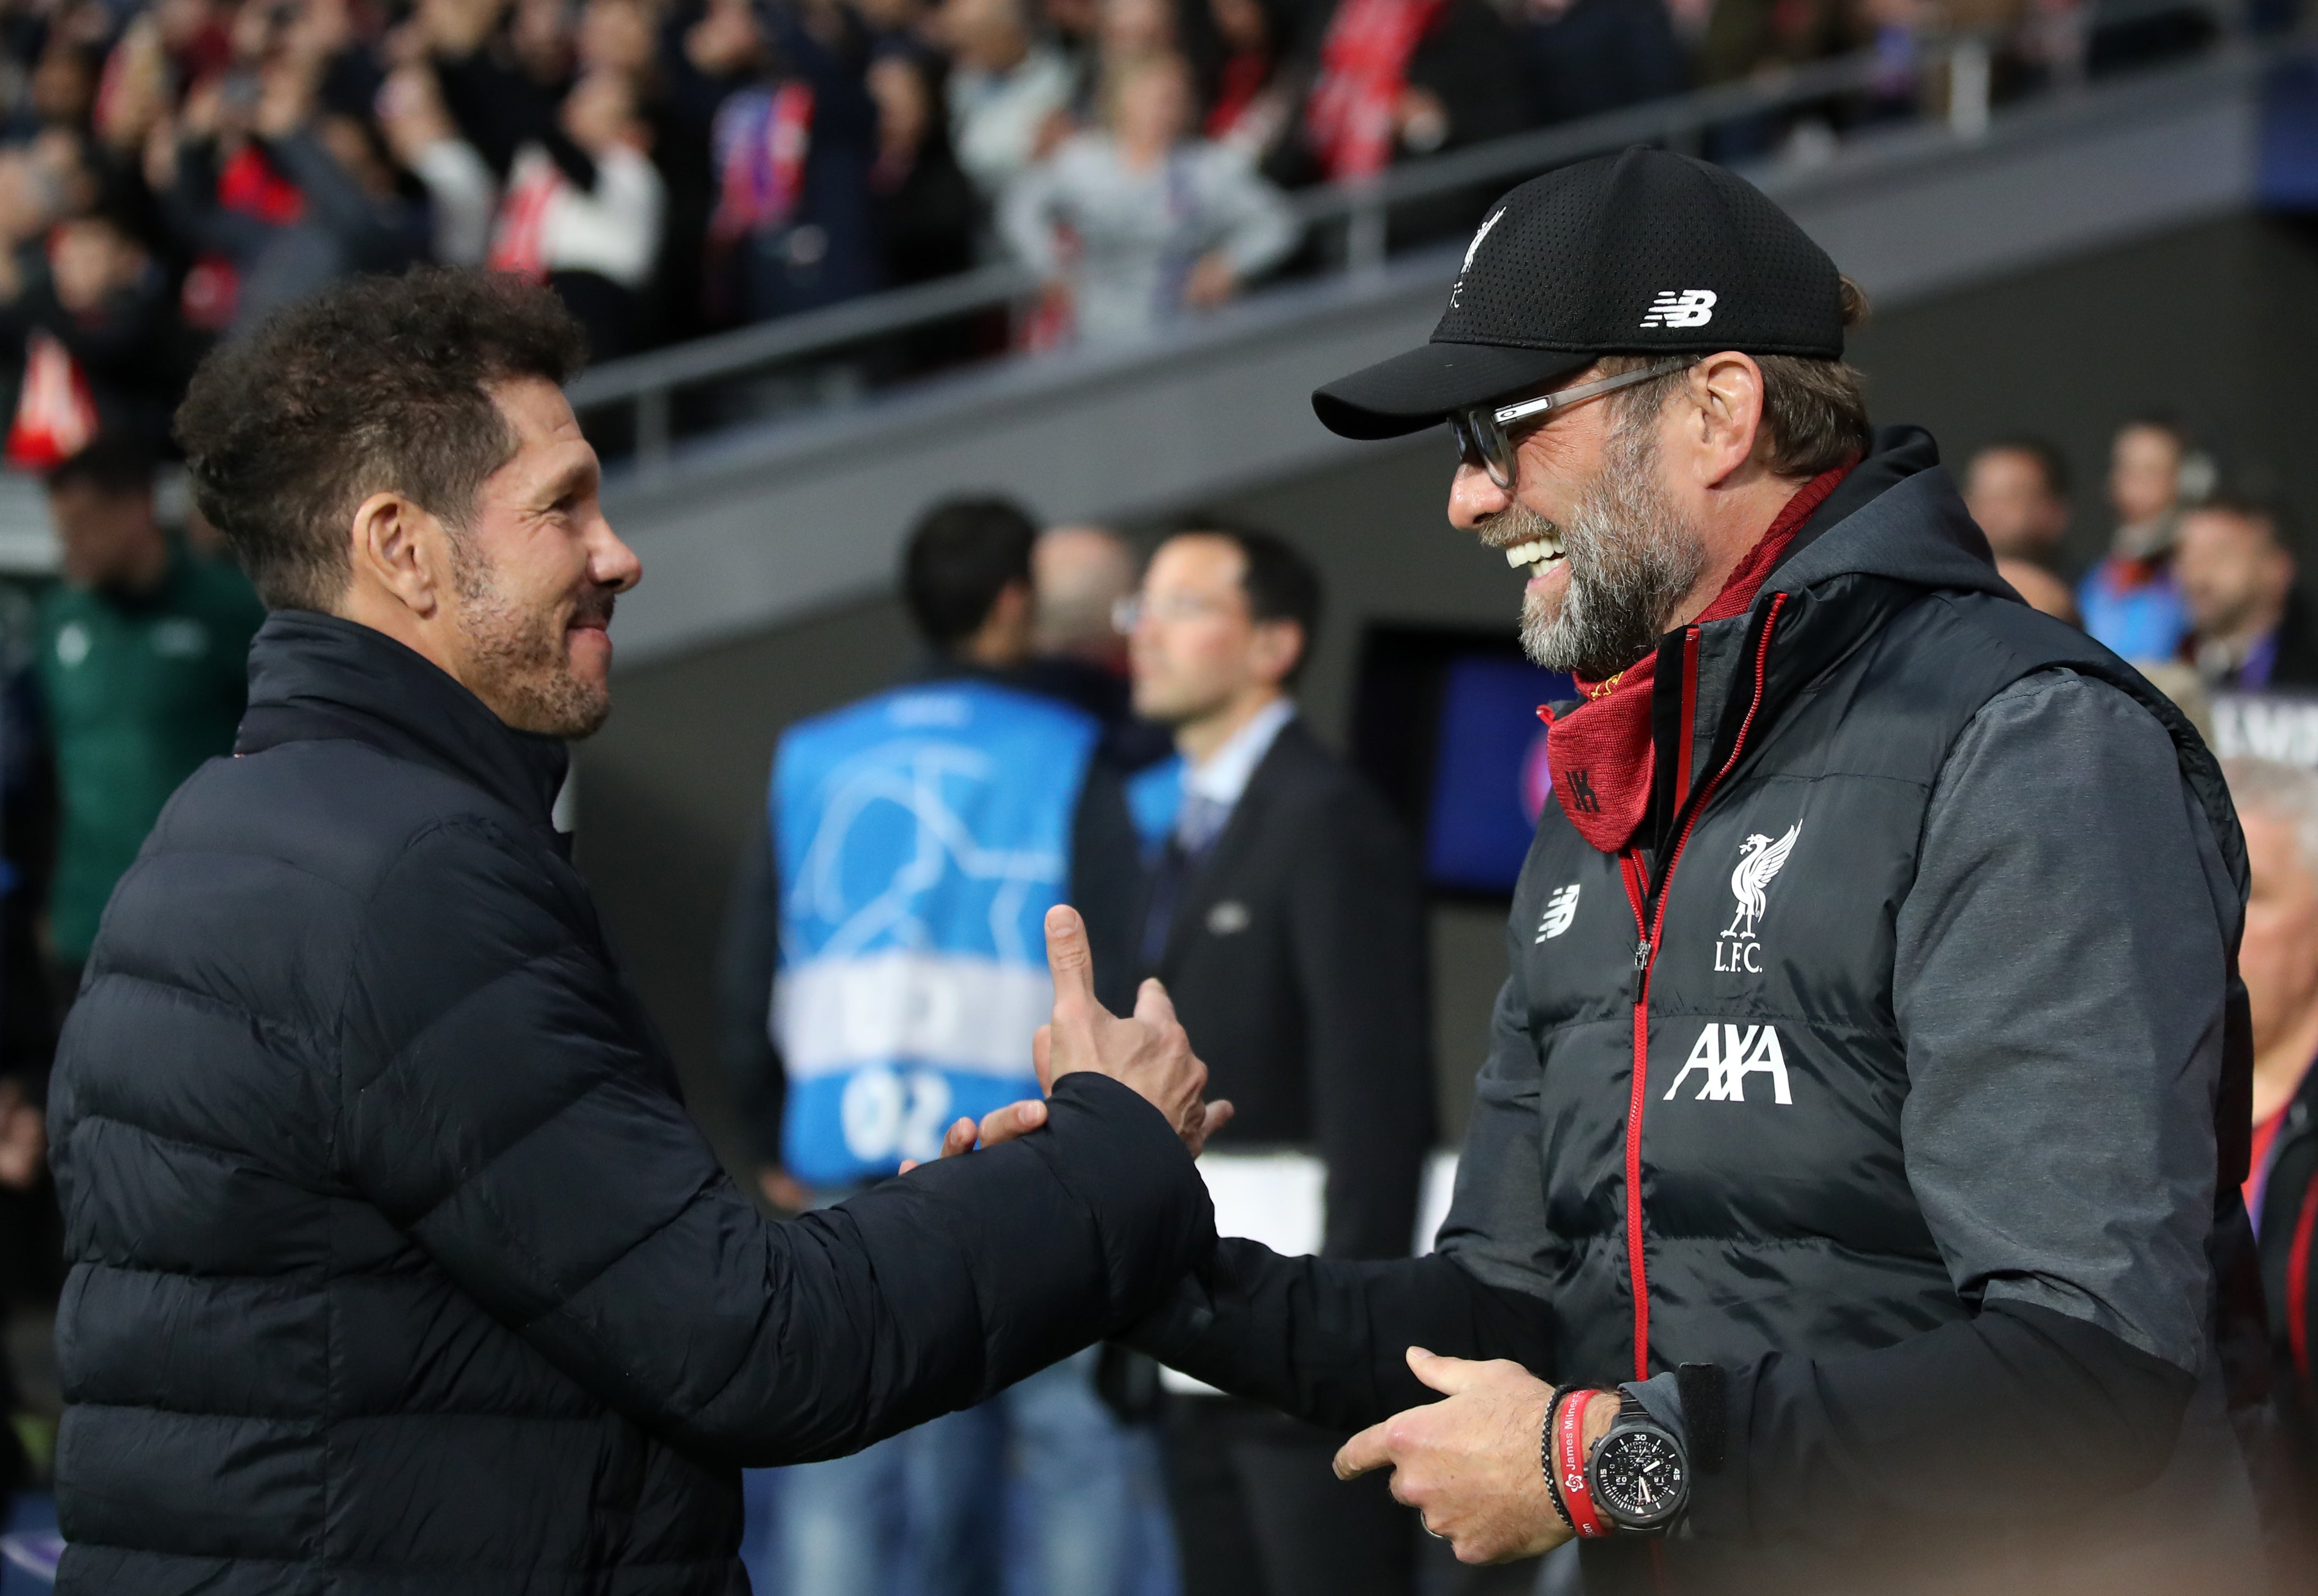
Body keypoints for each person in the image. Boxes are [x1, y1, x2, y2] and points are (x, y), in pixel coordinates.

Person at [1071, 148, 2261, 1593]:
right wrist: (1121, 1248)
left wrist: (1600, 1462)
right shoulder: (1610, 785)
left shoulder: (2028, 740)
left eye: (1502, 425)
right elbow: (1503, 1314)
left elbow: (2089, 1370)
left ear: (1718, 408)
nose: (1465, 493)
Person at [46, 269, 1225, 1594]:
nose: (620, 551)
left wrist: (1012, 1185)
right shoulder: (414, 882)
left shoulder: (221, 840)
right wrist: (1109, 1160)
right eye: (562, 504)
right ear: (402, 548)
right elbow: (751, 1343)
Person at [717, 495, 1167, 1596]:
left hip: (846, 1161)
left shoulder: (813, 755)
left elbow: (749, 967)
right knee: (1067, 1446)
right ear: (1015, 599)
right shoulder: (1072, 754)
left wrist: (765, 1124)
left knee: (843, 1463)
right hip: (1029, 1154)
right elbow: (1114, 955)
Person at [1122, 520, 1435, 1596]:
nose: (1144, 633)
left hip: (1297, 1338)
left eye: (1182, 606)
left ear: (1273, 644)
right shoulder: (1188, 825)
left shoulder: (1326, 815)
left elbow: (1376, 1091)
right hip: (1202, 1324)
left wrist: (1343, 1340)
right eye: (1140, 607)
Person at [32, 434, 263, 1007]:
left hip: (203, 924)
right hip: (84, 925)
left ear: (137, 508)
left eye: (83, 522)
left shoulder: (229, 610)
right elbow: (41, 773)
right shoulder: (58, 620)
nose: (69, 542)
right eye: (61, 524)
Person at [1000, 51, 1297, 345]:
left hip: (1187, 331)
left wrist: (1230, 266)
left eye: (1173, 98)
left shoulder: (1206, 167)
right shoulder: (1082, 163)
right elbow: (1020, 206)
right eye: (1153, 96)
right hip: (1099, 334)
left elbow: (1276, 221)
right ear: (1121, 100)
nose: (1164, 108)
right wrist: (1047, 267)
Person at [2077, 416, 2202, 662]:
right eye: (2125, 469)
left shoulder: (2193, 577)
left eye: (2150, 471)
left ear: (2189, 483)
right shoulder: (2097, 578)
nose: (2133, 485)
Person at [2174, 496, 2318, 694]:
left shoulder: (2307, 673)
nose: (2198, 575)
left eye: (2220, 554)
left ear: (2277, 568)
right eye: (2187, 555)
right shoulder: (2162, 668)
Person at [1961, 436, 2070, 565]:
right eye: (1978, 496)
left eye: (2012, 496)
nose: (1990, 510)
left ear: (2053, 511)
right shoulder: (1943, 579)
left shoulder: (2091, 583)